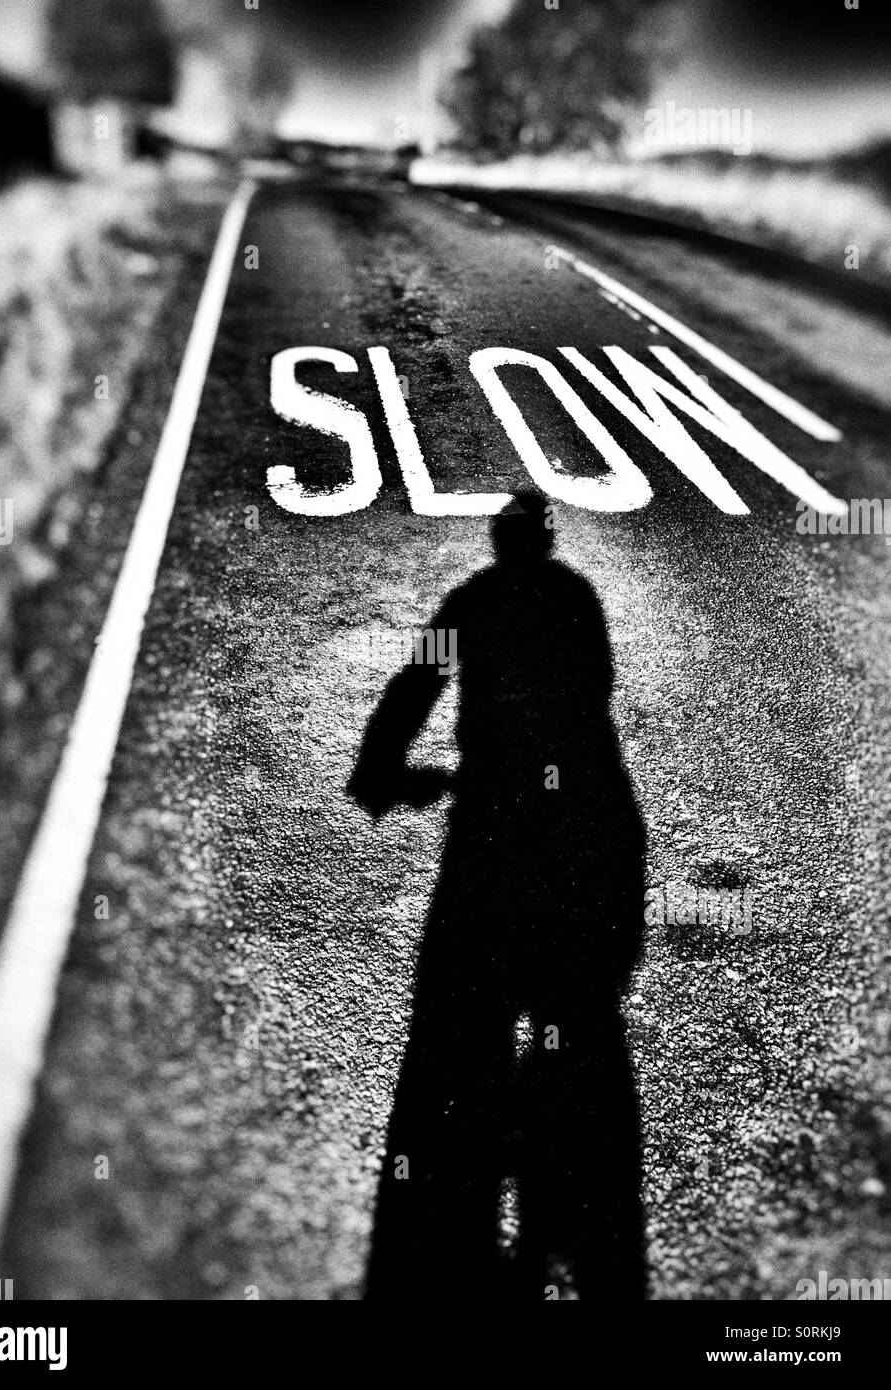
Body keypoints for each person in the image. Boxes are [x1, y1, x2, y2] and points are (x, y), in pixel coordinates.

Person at [348, 491, 648, 1300]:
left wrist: (381, 771)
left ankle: (459, 1201)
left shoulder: (470, 601)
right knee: (579, 1018)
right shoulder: (576, 600)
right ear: (545, 544)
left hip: (494, 828)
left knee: (455, 1033)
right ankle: (574, 1192)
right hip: (588, 823)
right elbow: (592, 700)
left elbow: (416, 682)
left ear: (497, 541)